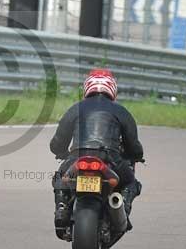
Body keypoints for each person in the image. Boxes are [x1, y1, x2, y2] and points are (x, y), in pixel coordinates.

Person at [50, 69, 144, 231]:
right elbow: (134, 146)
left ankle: (62, 206)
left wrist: (62, 152)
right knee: (131, 182)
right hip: (110, 159)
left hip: (77, 157)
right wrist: (135, 155)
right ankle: (124, 208)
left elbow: (58, 143)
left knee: (61, 177)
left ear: (87, 87)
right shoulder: (121, 111)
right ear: (112, 88)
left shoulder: (75, 108)